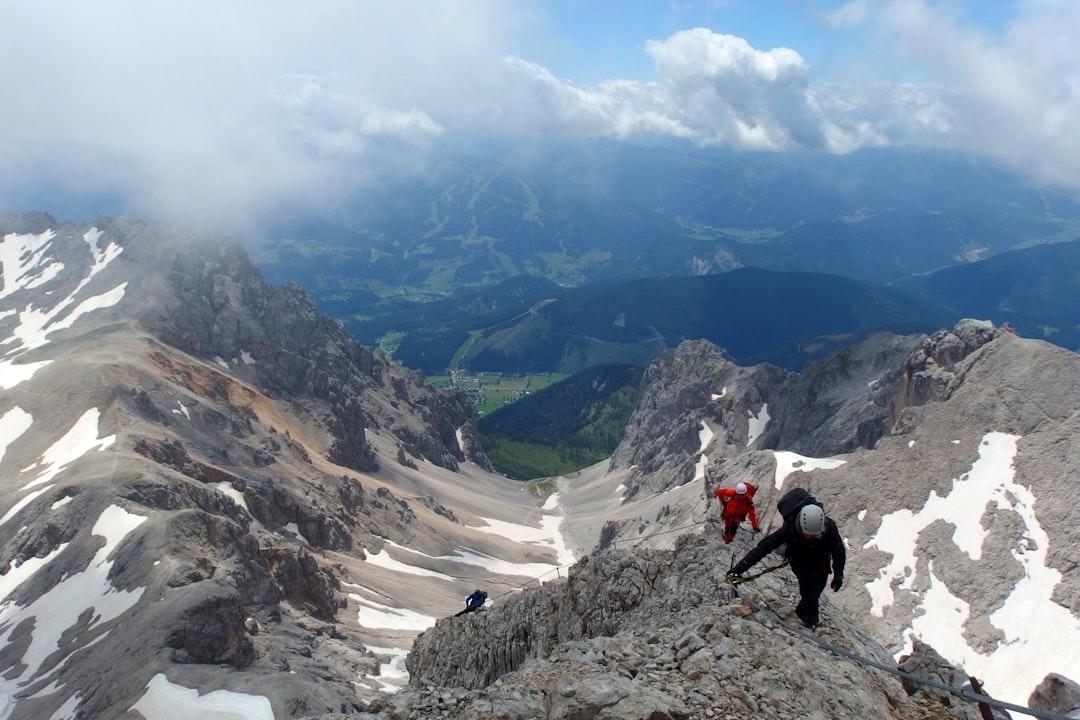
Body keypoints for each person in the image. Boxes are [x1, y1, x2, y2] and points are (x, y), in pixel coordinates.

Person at [728, 502, 845, 628]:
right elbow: (763, 547)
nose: (809, 537)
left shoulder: (830, 529)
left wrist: (838, 575)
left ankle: (801, 612)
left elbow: (839, 552)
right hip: (799, 559)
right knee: (807, 586)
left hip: (820, 561)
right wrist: (739, 569)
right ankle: (811, 621)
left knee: (817, 589)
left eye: (814, 535)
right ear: (800, 525)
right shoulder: (790, 528)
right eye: (807, 534)